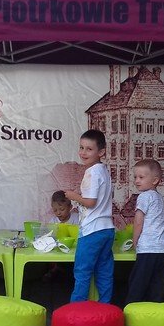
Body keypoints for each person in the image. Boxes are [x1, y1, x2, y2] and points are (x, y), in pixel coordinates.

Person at [64, 130, 115, 303]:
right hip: (107, 229)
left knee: (82, 271)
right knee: (104, 270)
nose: (83, 152)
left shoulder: (92, 172)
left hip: (92, 230)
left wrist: (73, 196)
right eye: (81, 147)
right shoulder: (104, 171)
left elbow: (91, 202)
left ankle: (76, 309)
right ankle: (105, 306)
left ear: (101, 152)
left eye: (89, 149)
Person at [125, 159, 164, 304]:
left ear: (155, 180)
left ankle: (130, 315)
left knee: (137, 286)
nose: (137, 181)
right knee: (158, 289)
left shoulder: (144, 196)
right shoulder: (159, 198)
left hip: (148, 249)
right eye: (135, 177)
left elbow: (139, 221)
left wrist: (134, 240)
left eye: (141, 177)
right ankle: (158, 320)